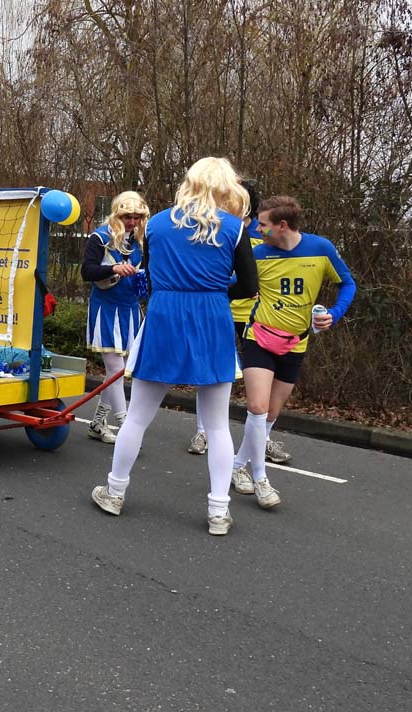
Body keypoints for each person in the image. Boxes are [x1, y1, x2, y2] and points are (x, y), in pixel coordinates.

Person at [91, 157, 258, 536]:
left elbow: (150, 276)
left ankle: (114, 492)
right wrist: (214, 292)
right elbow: (249, 285)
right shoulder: (234, 228)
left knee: (137, 416)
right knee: (217, 424)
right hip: (212, 318)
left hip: (165, 314)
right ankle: (218, 511)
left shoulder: (157, 224)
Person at [230, 195, 356, 507]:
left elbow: (348, 284)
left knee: (270, 414)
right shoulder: (257, 254)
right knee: (257, 407)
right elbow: (228, 286)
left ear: (282, 225)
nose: (257, 229)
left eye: (263, 224)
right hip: (258, 337)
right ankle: (261, 479)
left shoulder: (321, 248)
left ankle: (236, 465)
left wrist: (334, 314)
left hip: (295, 342)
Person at [187, 180, 293, 462]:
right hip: (220, 311)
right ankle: (202, 432)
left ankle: (261, 439)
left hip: (256, 317)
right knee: (209, 372)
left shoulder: (262, 232)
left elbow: (278, 266)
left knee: (261, 384)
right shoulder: (214, 229)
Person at [81, 191, 150, 443]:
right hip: (106, 308)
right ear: (117, 214)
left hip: (129, 309)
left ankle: (98, 423)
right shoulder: (100, 237)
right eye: (127, 216)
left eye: (136, 217)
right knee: (116, 369)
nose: (132, 221)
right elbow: (87, 271)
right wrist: (113, 268)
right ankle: (126, 427)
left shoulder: (141, 241)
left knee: (117, 373)